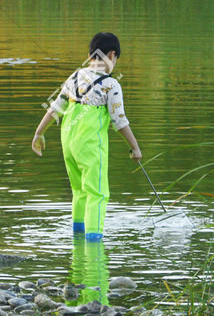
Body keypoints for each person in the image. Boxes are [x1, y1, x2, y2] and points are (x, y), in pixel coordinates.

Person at [31, 32, 142, 242]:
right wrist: (135, 148)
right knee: (98, 194)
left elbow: (57, 107)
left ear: (90, 56)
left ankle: (77, 235)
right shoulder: (111, 85)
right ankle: (93, 243)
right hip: (90, 146)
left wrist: (39, 133)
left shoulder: (75, 77)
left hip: (69, 142)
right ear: (112, 55)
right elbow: (120, 121)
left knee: (79, 191)